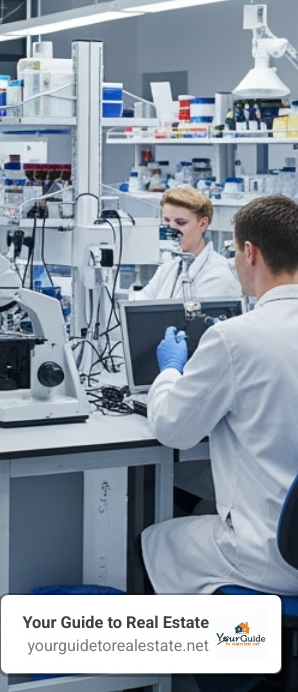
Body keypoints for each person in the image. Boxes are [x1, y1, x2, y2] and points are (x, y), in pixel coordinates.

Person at [142, 195, 298, 608]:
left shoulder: (235, 338)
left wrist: (169, 372)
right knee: (205, 502)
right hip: (287, 532)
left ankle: (214, 651)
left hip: (273, 557)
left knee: (154, 536)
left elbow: (173, 429)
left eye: (235, 252)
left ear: (250, 252)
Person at [131, 185, 239, 301]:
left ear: (202, 224)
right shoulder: (168, 269)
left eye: (181, 222)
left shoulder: (218, 276)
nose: (171, 229)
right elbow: (140, 302)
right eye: (167, 221)